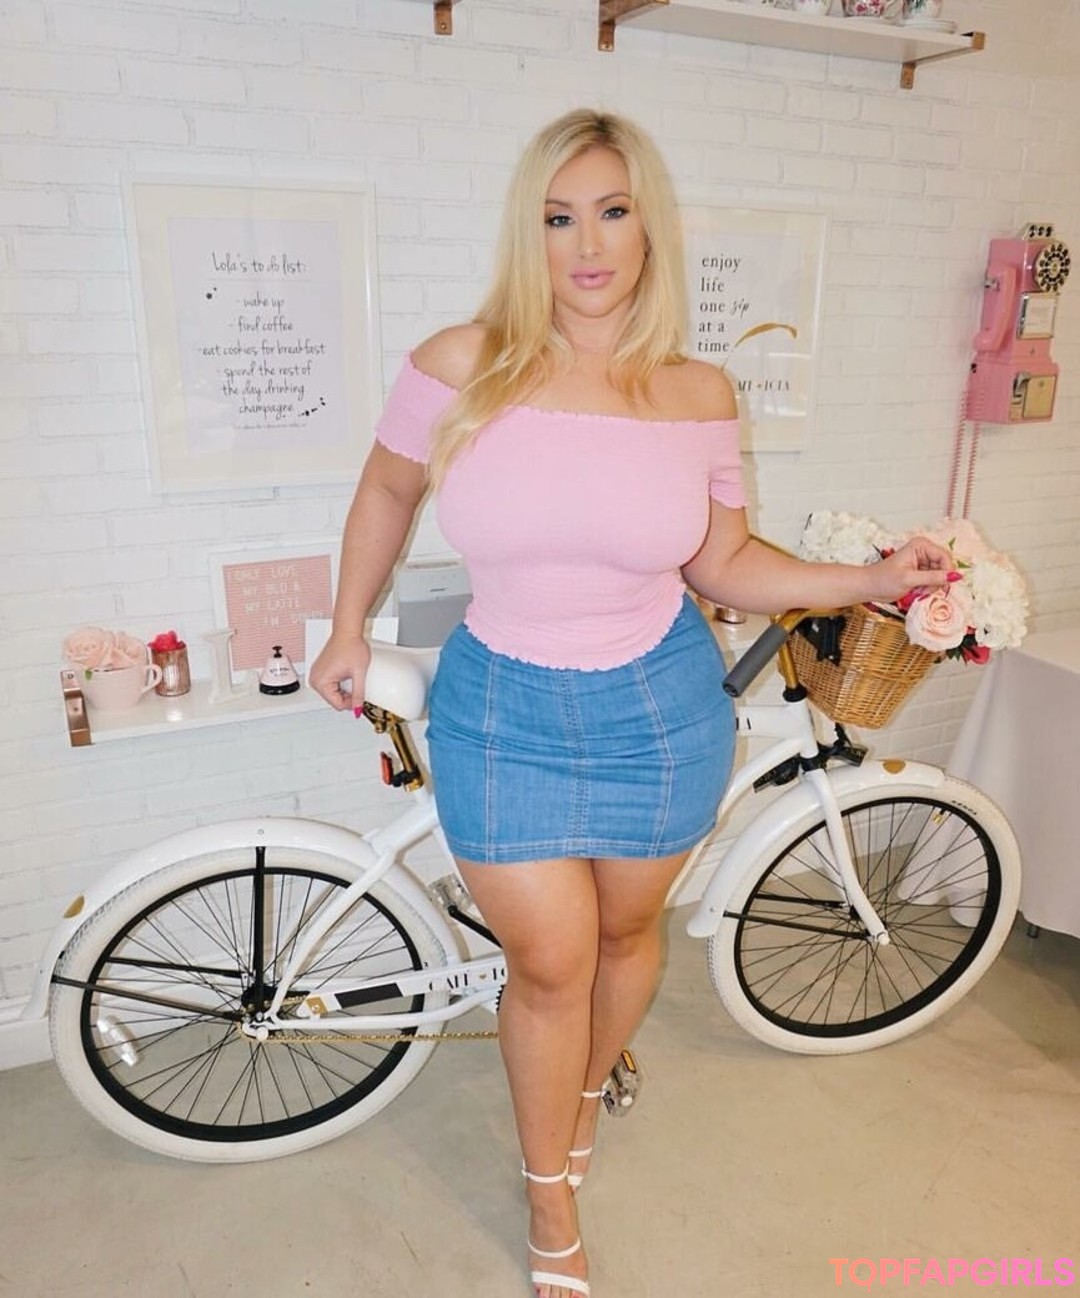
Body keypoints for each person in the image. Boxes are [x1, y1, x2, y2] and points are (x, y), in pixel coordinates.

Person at [309, 108, 951, 1298]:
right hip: (500, 708)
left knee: (622, 938)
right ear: (530, 232)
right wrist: (347, 622)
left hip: (660, 710)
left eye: (612, 212)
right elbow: (387, 490)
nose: (588, 243)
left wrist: (866, 581)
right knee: (550, 961)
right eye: (560, 218)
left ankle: (591, 1083)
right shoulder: (460, 364)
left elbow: (725, 562)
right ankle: (549, 1190)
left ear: (650, 227)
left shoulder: (696, 393)